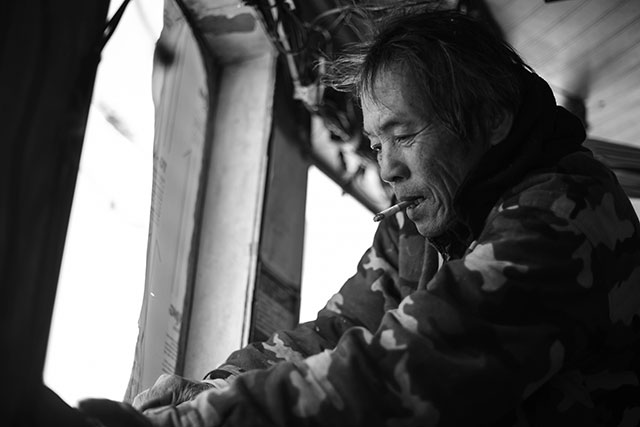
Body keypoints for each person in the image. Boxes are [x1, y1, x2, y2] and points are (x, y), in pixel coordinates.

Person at [81, 7, 640, 427]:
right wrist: (211, 387)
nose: (388, 168)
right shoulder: (419, 219)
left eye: (404, 135)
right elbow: (337, 329)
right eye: (375, 144)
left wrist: (202, 422)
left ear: (492, 120)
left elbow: (411, 369)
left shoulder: (564, 212)